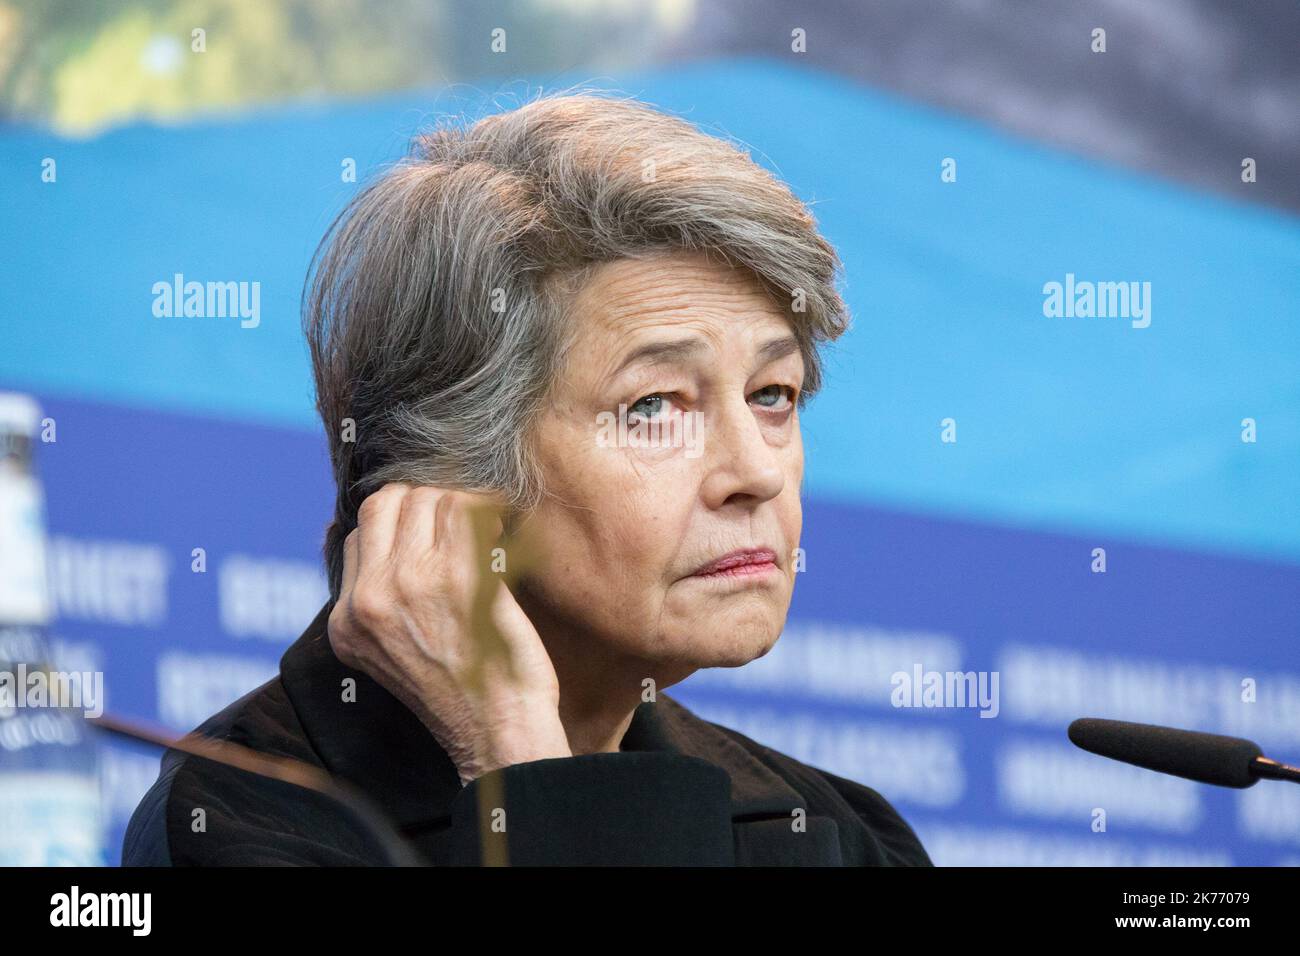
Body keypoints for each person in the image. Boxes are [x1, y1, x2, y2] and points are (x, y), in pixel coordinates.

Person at [123, 91, 932, 866]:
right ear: (452, 472)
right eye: (653, 406)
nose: (755, 472)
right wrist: (514, 750)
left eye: (772, 394)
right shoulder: (240, 822)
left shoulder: (843, 831)